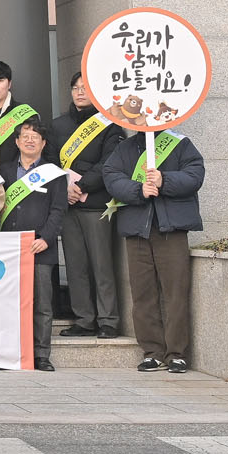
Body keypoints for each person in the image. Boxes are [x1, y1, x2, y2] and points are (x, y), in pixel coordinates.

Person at [103, 123, 206, 374]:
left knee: (176, 293)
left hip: (172, 228)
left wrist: (164, 179)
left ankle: (177, 354)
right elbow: (112, 177)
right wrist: (138, 190)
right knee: (142, 294)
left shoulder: (181, 144)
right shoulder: (125, 148)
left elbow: (195, 175)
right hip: (137, 229)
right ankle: (152, 352)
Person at [53, 72, 126, 340]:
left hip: (96, 204)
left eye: (85, 88)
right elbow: (49, 161)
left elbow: (109, 163)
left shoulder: (110, 125)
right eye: (75, 88)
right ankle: (84, 319)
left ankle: (108, 320)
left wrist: (81, 185)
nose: (80, 92)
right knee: (75, 266)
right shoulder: (58, 125)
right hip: (68, 204)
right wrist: (64, 188)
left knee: (102, 264)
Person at [0, 114, 68, 371]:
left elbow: (58, 210)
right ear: (16, 142)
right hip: (8, 248)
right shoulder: (3, 171)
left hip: (39, 247)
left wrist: (46, 238)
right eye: (24, 137)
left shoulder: (54, 174)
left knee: (42, 304)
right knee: (7, 301)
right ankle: (8, 351)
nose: (29, 141)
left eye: (34, 137)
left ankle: (41, 355)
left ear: (43, 143)